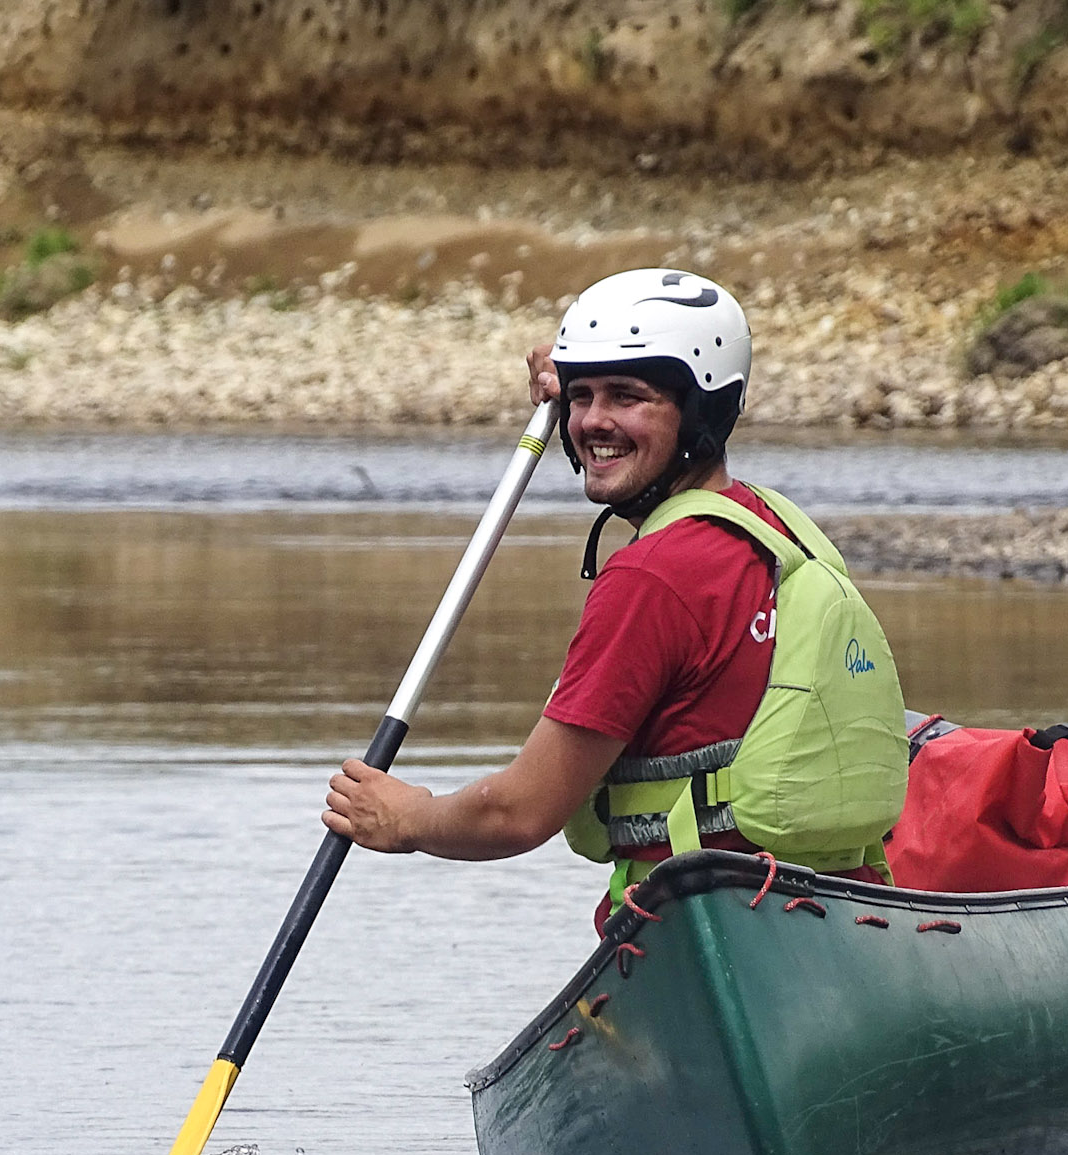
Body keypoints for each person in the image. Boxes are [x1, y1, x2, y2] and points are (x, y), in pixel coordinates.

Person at [323, 268, 905, 921]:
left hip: (709, 932)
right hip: (838, 912)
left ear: (701, 410)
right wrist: (584, 381)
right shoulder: (773, 527)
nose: (593, 423)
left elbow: (518, 812)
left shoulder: (650, 579)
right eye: (582, 398)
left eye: (628, 397)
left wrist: (410, 819)